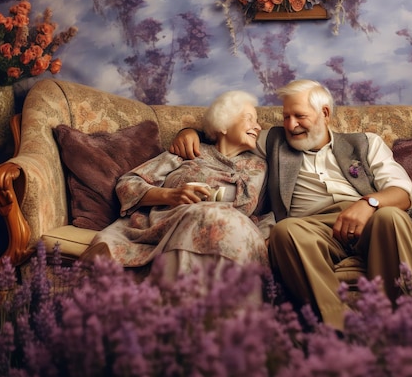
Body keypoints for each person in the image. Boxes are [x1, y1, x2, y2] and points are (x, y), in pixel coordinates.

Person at [170, 80, 412, 331]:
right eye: (286, 117)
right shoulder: (273, 142)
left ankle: (407, 323)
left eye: (299, 116)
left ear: (325, 113)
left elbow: (402, 192)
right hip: (312, 229)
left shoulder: (366, 142)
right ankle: (339, 330)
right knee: (285, 231)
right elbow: (226, 131)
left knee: (391, 216)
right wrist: (189, 131)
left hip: (372, 217)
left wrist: (369, 203)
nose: (291, 124)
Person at [82, 90, 274, 283]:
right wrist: (171, 195)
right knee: (208, 214)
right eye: (249, 118)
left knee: (218, 219)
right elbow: (128, 184)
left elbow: (268, 213)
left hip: (231, 236)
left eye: (257, 121)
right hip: (168, 225)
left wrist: (265, 237)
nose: (258, 127)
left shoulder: (261, 167)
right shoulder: (188, 151)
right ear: (224, 124)